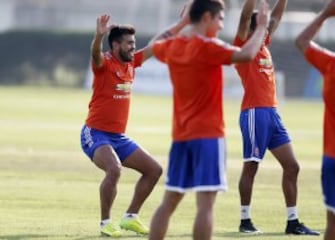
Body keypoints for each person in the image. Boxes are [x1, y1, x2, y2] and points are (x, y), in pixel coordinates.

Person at [147, 0, 270, 239]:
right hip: (209, 136)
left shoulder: (174, 45)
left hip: (181, 136)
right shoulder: (208, 47)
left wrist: (180, 24)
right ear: (206, 18)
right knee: (205, 204)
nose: (222, 26)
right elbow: (245, 54)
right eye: (220, 19)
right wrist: (262, 27)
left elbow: (153, 45)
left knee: (169, 201)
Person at [80, 10, 189, 237]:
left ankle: (130, 217)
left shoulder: (132, 63)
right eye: (129, 43)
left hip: (118, 137)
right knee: (114, 169)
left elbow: (158, 42)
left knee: (154, 170)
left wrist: (183, 23)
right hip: (96, 133)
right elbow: (95, 54)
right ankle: (105, 224)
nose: (133, 47)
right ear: (115, 45)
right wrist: (98, 36)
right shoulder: (104, 64)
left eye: (134, 43)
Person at [232, 0, 319, 235]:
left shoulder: (263, 43)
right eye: (263, 23)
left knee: (292, 167)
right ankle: (245, 220)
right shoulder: (243, 43)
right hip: (254, 112)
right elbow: (244, 16)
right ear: (255, 26)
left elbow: (277, 17)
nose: (269, 26)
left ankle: (292, 222)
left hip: (272, 113)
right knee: (251, 167)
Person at [295, 0, 335, 239]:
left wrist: (325, 14)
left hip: (332, 161)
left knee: (334, 225)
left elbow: (301, 42)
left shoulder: (333, 65)